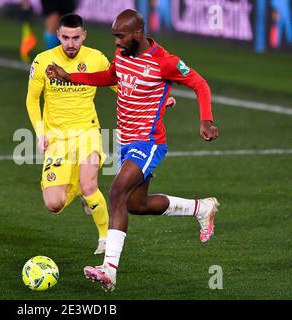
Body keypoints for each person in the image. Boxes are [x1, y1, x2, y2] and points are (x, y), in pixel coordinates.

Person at [46, 9, 219, 291]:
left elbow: (200, 84)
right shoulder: (123, 56)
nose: (116, 42)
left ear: (137, 33)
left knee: (116, 191)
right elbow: (109, 77)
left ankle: (109, 270)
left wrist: (206, 120)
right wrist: (70, 76)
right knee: (135, 204)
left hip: (148, 142)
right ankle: (201, 208)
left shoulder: (165, 62)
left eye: (120, 36)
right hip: (126, 142)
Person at [26, 13, 112, 255]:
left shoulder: (96, 59)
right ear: (58, 36)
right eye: (65, 38)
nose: (71, 44)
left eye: (76, 38)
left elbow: (120, 86)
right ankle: (81, 193)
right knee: (54, 204)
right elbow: (32, 100)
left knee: (89, 185)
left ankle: (105, 239)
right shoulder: (43, 61)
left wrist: (155, 100)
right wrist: (40, 132)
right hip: (56, 139)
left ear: (84, 35)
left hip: (87, 132)